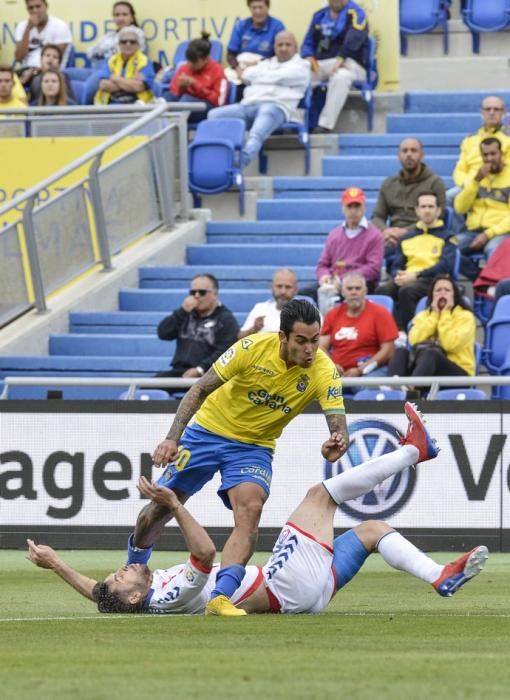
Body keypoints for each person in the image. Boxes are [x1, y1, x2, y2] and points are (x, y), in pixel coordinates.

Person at [26, 403, 489, 615]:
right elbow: (206, 554)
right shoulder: (169, 597)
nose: (120, 570)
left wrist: (55, 564)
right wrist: (173, 504)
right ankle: (415, 451)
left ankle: (438, 577)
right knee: (319, 495)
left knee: (371, 530)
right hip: (283, 584)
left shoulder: (125, 600)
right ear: (133, 596)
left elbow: (99, 596)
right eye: (120, 577)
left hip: (307, 595)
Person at [130, 299, 348, 616]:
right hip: (206, 432)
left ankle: (220, 597)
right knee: (158, 509)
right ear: (283, 338)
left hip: (254, 446)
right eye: (301, 341)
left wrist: (337, 440)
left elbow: (338, 424)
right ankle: (134, 568)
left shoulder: (323, 370)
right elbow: (200, 389)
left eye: (315, 340)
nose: (310, 349)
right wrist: (172, 438)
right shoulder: (251, 348)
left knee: (251, 508)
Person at [208, 31, 310, 166]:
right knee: (213, 116)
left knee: (256, 134)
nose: (283, 48)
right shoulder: (266, 63)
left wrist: (263, 76)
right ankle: (216, 157)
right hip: (248, 106)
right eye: (280, 45)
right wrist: (274, 77)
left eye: (288, 45)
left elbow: (285, 75)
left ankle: (238, 164)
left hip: (275, 107)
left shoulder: (302, 66)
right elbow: (246, 75)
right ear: (274, 47)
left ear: (295, 48)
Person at [375, 192, 457, 330]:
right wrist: (398, 275)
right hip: (408, 277)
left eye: (431, 207)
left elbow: (446, 265)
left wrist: (417, 275)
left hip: (433, 280)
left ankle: (410, 332)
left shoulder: (448, 237)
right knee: (382, 290)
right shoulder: (407, 237)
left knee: (407, 291)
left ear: (438, 211)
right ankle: (389, 332)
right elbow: (397, 264)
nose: (427, 210)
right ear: (417, 211)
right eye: (423, 207)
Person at [301, 186, 383, 307]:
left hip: (360, 285)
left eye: (357, 206)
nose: (353, 210)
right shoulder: (334, 235)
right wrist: (325, 277)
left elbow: (373, 269)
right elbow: (323, 264)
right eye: (349, 206)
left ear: (364, 207)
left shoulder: (375, 235)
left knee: (334, 294)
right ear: (343, 208)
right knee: (303, 296)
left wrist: (344, 280)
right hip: (334, 282)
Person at [387, 276, 476, 383]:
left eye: (447, 290)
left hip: (458, 372)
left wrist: (445, 314)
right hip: (424, 369)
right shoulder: (423, 315)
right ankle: (392, 389)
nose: (442, 293)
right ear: (432, 295)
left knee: (432, 354)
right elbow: (413, 341)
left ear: (454, 295)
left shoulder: (465, 317)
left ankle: (411, 391)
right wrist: (434, 315)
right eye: (438, 290)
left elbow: (450, 344)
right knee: (401, 351)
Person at [301, 0, 368, 134]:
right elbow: (308, 42)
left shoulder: (357, 13)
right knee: (298, 74)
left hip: (351, 63)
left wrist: (342, 57)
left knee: (341, 76)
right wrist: (308, 56)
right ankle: (295, 121)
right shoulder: (319, 15)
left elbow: (355, 38)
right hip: (323, 64)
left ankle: (325, 125)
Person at [371, 138, 447, 256]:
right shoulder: (388, 184)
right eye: (404, 151)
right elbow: (377, 216)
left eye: (413, 151)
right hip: (392, 238)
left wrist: (406, 232)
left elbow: (440, 215)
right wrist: (385, 231)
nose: (409, 154)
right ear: (399, 156)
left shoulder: (435, 183)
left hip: (424, 235)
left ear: (422, 156)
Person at [156, 274, 239, 380]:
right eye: (193, 292)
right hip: (179, 373)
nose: (196, 296)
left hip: (209, 375)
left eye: (202, 292)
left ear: (215, 293)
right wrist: (182, 311)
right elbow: (163, 333)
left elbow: (226, 351)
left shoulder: (226, 319)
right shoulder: (185, 314)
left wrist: (200, 369)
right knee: (146, 388)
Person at [320, 272, 398, 380]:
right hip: (337, 373)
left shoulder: (380, 313)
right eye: (349, 289)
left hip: (369, 371)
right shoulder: (332, 314)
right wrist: (332, 366)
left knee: (369, 389)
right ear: (342, 292)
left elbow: (389, 350)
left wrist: (361, 370)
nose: (353, 292)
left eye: (358, 288)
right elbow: (321, 347)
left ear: (365, 291)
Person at [453, 137, 510, 258]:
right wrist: (476, 181)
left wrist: (488, 234)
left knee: (493, 250)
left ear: (502, 154)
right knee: (447, 247)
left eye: (493, 154)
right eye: (485, 155)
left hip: (500, 232)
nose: (489, 159)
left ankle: (489, 277)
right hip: (473, 232)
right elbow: (459, 208)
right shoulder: (476, 176)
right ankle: (477, 274)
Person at [167, 32, 227, 124]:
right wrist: (181, 88)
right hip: (184, 104)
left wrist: (196, 85)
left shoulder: (218, 71)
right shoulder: (184, 68)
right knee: (167, 99)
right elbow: (174, 92)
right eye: (188, 60)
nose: (190, 65)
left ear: (206, 59)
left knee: (185, 102)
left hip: (207, 107)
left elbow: (219, 102)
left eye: (194, 62)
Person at [453, 95, 510, 189]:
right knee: (443, 199)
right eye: (488, 109)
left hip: (500, 185)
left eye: (496, 109)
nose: (492, 113)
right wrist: (467, 184)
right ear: (482, 113)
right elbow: (460, 170)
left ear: (503, 113)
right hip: (470, 185)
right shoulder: (469, 140)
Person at [94, 26, 154, 105]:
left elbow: (138, 87)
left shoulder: (145, 62)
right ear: (118, 44)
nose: (128, 44)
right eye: (124, 42)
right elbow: (104, 85)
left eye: (132, 42)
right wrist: (131, 81)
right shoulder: (110, 61)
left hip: (137, 105)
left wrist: (114, 78)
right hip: (110, 104)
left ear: (138, 45)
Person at [14, 0, 72, 76]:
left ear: (46, 6)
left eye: (38, 6)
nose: (35, 10)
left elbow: (54, 61)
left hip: (51, 73)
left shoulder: (60, 26)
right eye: (31, 8)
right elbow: (19, 57)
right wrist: (28, 29)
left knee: (37, 83)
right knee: (6, 80)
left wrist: (32, 72)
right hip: (25, 70)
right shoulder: (22, 26)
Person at [238, 268, 298, 338]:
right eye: (279, 286)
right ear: (271, 287)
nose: (283, 291)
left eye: (288, 287)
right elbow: (240, 338)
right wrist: (254, 329)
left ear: (296, 290)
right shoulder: (260, 308)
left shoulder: (304, 312)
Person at [227, 0, 286, 68]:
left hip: (267, 68)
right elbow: (230, 55)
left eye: (260, 7)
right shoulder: (241, 26)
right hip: (241, 67)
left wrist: (258, 63)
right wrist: (237, 68)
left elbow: (281, 55)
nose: (257, 11)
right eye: (254, 8)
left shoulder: (277, 26)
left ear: (267, 7)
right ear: (249, 8)